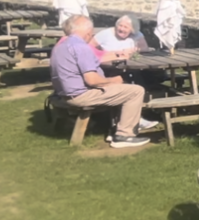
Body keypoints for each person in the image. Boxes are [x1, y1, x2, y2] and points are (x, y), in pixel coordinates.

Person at [50, 15, 152, 148]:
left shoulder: (62, 45)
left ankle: (114, 129)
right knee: (136, 91)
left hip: (64, 93)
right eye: (91, 32)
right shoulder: (81, 47)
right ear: (87, 32)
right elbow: (92, 80)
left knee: (120, 89)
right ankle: (124, 135)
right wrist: (114, 80)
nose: (92, 35)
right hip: (81, 96)